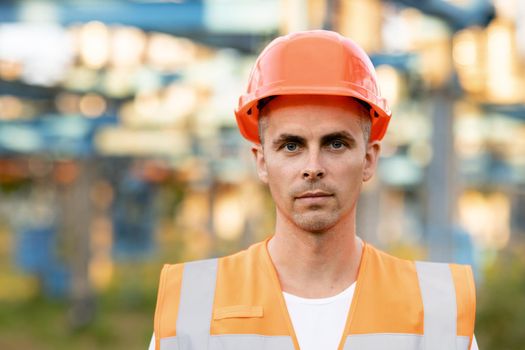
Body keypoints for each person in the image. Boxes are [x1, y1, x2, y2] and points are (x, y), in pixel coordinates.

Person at [149, 30, 478, 350]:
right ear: (261, 161)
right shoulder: (191, 308)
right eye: (291, 146)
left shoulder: (437, 311)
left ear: (368, 159)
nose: (313, 166)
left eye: (335, 143)